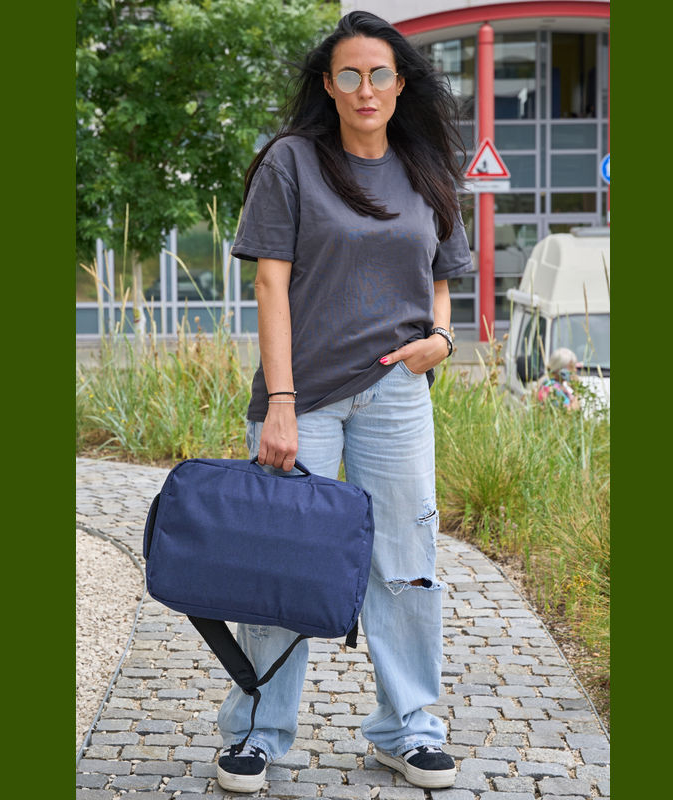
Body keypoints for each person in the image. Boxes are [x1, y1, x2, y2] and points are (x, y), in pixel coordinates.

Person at [216, 11, 473, 793]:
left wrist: (441, 339)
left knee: (406, 563)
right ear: (328, 86)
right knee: (282, 564)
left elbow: (440, 276)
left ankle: (408, 729)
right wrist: (281, 402)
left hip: (397, 391)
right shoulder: (291, 162)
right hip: (305, 394)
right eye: (351, 75)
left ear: (401, 84)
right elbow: (270, 284)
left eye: (380, 73)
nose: (366, 88)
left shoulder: (427, 165)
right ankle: (258, 732)